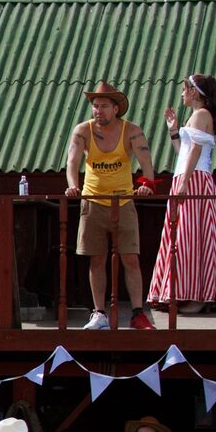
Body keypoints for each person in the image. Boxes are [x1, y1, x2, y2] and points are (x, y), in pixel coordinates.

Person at [64, 81, 158, 330]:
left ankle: (138, 313)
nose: (98, 111)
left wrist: (147, 183)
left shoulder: (132, 130)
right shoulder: (82, 131)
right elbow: (72, 163)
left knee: (131, 258)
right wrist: (73, 185)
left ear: (116, 109)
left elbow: (146, 162)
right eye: (95, 106)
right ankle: (99, 313)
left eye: (104, 106)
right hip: (92, 200)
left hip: (123, 200)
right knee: (97, 259)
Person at [148, 74, 216, 314]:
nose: (182, 94)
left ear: (194, 92)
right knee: (185, 234)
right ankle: (188, 292)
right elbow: (183, 152)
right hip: (189, 176)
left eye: (185, 89)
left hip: (194, 178)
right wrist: (174, 131)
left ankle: (197, 295)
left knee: (191, 234)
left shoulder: (200, 114)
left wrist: (185, 182)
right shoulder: (196, 116)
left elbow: (195, 150)